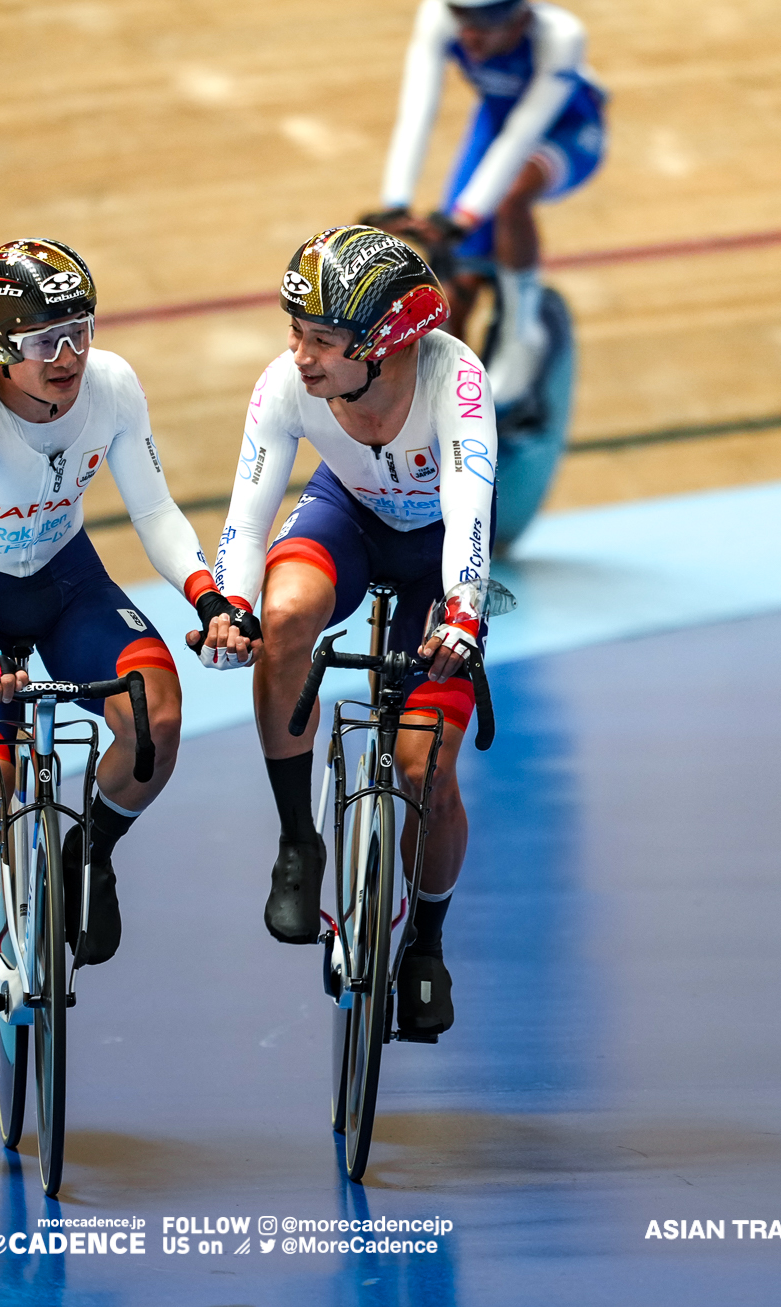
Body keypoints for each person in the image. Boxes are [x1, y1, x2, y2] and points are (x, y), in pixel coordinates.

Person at [0, 238, 244, 1078]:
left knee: (156, 716)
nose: (67, 357)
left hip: (64, 577)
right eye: (42, 341)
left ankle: (86, 852)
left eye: (79, 331)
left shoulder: (113, 386)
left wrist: (206, 594)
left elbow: (154, 507)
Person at [188, 225, 495, 1040]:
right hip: (347, 515)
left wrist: (463, 610)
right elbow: (247, 524)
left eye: (321, 339)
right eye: (295, 333)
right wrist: (232, 606)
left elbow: (469, 510)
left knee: (424, 767)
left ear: (385, 343)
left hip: (439, 550)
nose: (301, 356)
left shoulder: (455, 381)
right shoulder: (286, 387)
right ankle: (298, 840)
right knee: (287, 616)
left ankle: (426, 943)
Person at [367, 0, 607, 414]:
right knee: (450, 290)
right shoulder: (439, 15)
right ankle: (449, 402)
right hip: (494, 126)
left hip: (565, 130)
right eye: (463, 19)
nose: (471, 34)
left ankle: (523, 333)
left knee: (512, 198)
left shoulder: (560, 36)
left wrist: (464, 216)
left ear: (521, 18)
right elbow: (418, 109)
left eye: (485, 23)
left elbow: (522, 134)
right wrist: (397, 201)